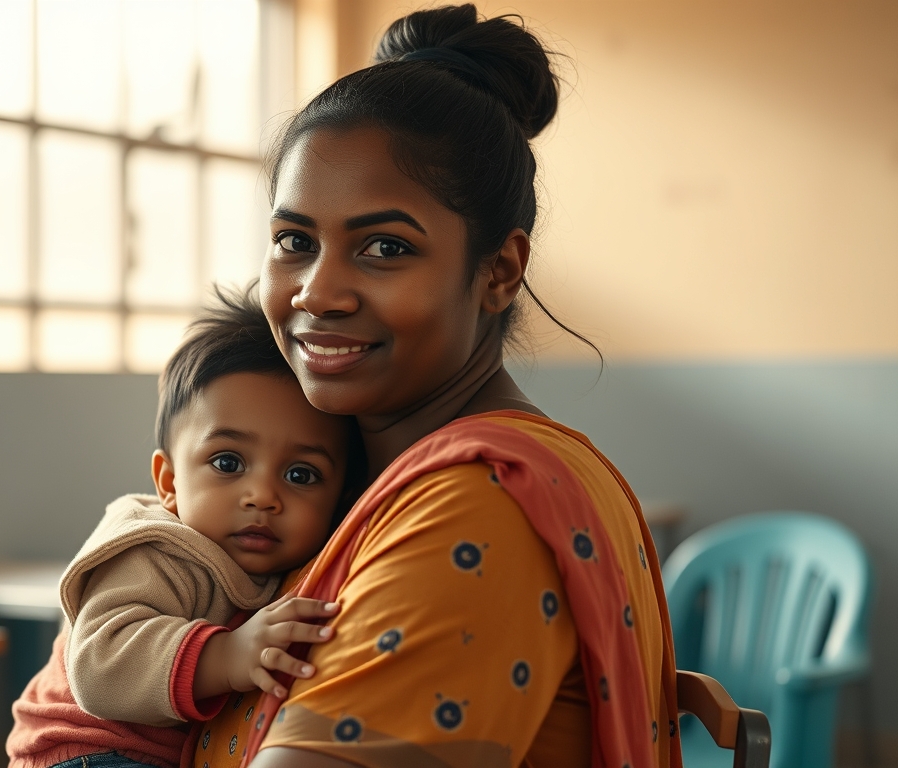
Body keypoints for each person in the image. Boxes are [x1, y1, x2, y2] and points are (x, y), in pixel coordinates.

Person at [189, 5, 681, 768]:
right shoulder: (346, 481)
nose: (318, 291)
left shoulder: (478, 505)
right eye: (294, 241)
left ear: (498, 272)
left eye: (385, 247)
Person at [6, 289, 366, 768]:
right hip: (87, 753)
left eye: (301, 474)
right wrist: (226, 655)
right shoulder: (155, 549)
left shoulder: (299, 561)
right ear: (169, 482)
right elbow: (97, 665)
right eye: (227, 461)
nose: (262, 495)